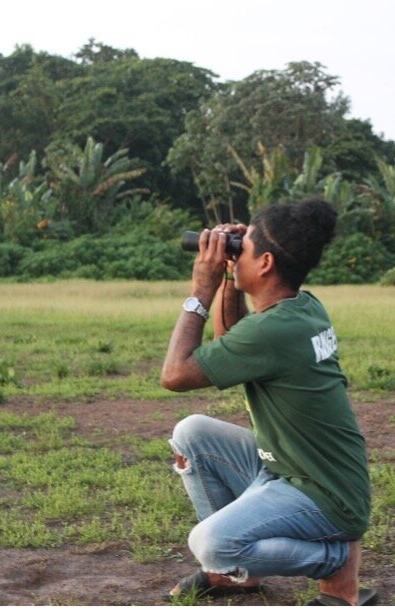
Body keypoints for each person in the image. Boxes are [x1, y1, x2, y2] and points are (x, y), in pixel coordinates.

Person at [160, 198, 376, 606]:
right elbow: (232, 338)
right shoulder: (303, 307)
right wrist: (228, 276)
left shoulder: (274, 331)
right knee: (191, 434)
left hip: (324, 494)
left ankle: (335, 559)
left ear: (265, 263)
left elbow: (175, 375)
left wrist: (200, 290)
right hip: (292, 467)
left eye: (245, 248)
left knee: (209, 544)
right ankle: (233, 579)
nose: (236, 253)